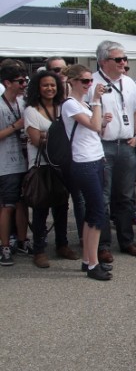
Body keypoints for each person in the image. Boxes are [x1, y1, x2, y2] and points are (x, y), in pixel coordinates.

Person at [92, 41, 136, 262]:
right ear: (104, 61)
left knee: (125, 196)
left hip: (126, 144)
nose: (124, 63)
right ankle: (102, 245)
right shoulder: (92, 83)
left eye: (125, 59)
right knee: (103, 197)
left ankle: (126, 241)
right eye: (119, 59)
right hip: (102, 146)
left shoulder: (129, 82)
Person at [63, 64, 114, 281]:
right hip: (83, 162)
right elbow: (93, 126)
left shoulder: (82, 103)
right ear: (72, 81)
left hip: (95, 158)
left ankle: (88, 260)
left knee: (94, 212)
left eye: (90, 81)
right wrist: (96, 101)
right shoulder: (69, 104)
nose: (88, 85)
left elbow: (96, 129)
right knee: (96, 213)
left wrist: (103, 119)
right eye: (84, 81)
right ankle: (93, 264)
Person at [23, 71, 78, 268]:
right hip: (42, 167)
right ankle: (39, 250)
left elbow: (70, 135)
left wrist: (49, 136)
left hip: (62, 165)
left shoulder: (62, 107)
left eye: (53, 85)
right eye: (45, 85)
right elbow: (37, 141)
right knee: (40, 209)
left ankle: (62, 245)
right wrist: (53, 138)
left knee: (62, 207)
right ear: (38, 87)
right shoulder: (31, 110)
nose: (50, 89)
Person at [0, 64, 31, 266]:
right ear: (7, 83)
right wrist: (15, 126)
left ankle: (22, 240)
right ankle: (4, 246)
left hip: (24, 161)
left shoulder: (23, 102)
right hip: (5, 165)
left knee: (23, 204)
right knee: (7, 206)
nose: (23, 85)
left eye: (25, 81)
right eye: (20, 81)